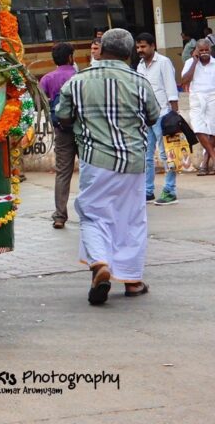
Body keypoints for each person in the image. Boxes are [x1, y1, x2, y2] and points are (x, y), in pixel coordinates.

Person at [55, 28, 159, 305]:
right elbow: (153, 116)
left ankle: (100, 263)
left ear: (101, 50)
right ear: (127, 53)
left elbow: (62, 115)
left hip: (96, 161)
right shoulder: (139, 81)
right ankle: (133, 281)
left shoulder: (78, 81)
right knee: (131, 219)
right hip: (134, 162)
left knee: (93, 215)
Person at [135, 32, 180, 205]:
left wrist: (174, 115)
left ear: (153, 46)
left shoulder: (163, 62)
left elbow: (171, 89)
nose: (140, 50)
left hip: (163, 116)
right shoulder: (140, 65)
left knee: (167, 154)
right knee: (147, 156)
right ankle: (148, 191)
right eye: (138, 47)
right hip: (146, 117)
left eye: (143, 46)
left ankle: (170, 191)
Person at [40, 42, 77, 228]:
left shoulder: (47, 78)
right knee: (89, 171)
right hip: (82, 130)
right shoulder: (79, 77)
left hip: (61, 131)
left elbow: (40, 103)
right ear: (71, 57)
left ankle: (60, 216)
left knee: (63, 173)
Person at [181, 38, 215, 175]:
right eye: (201, 50)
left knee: (213, 129)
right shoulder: (190, 63)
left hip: (213, 97)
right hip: (196, 97)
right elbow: (184, 81)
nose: (204, 52)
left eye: (207, 50)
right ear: (196, 51)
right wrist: (195, 61)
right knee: (198, 128)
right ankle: (213, 156)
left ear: (211, 50)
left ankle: (205, 160)